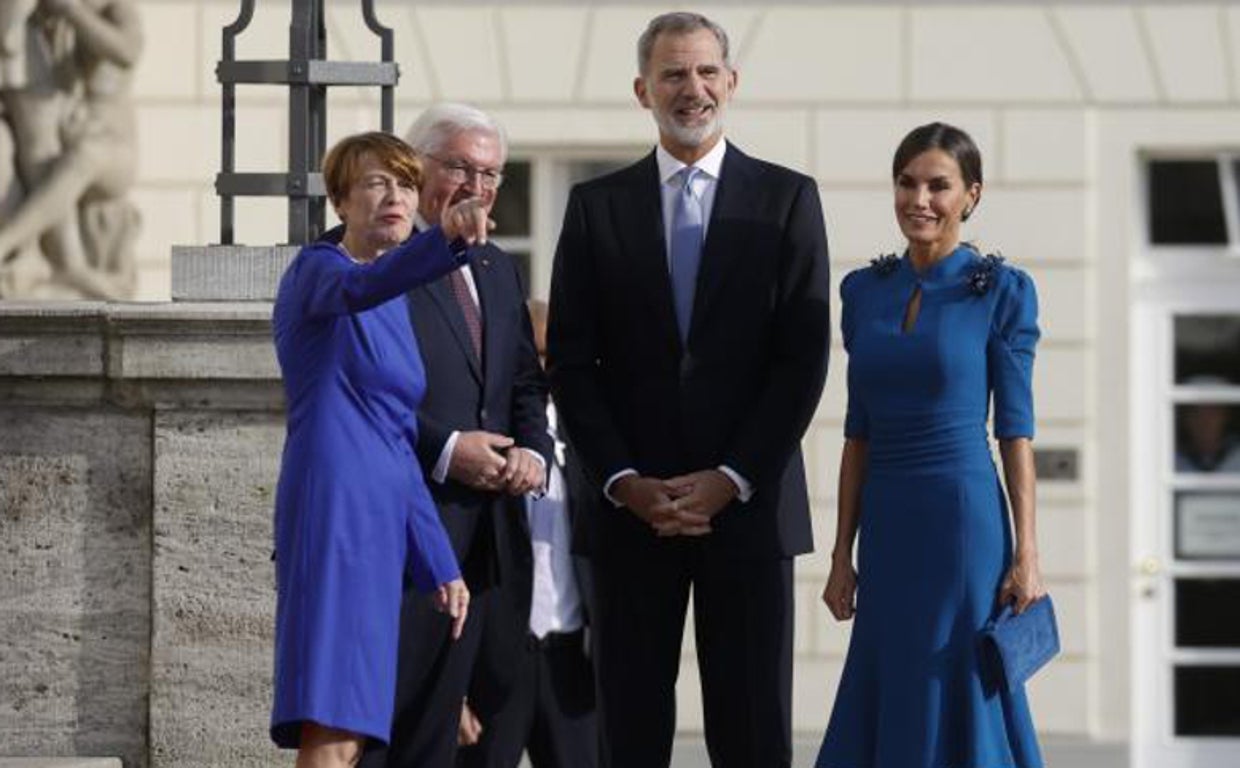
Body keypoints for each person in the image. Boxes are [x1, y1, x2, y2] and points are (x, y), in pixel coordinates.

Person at [547, 12, 831, 768]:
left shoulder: (787, 200)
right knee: (629, 735)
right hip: (631, 517)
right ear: (643, 90)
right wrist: (623, 481)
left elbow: (800, 361)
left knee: (753, 733)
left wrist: (731, 477)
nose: (692, 88)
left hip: (749, 510)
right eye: (673, 74)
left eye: (706, 72)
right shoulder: (593, 207)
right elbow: (572, 364)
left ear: (731, 83)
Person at [816, 122, 1046, 767]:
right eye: (907, 183)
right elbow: (856, 432)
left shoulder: (1003, 290)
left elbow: (1015, 431)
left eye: (938, 186)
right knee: (888, 669)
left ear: (970, 195)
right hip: (889, 520)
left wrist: (1027, 553)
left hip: (962, 521)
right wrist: (841, 553)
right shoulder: (862, 293)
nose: (920, 199)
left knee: (955, 679)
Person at [269, 131, 490, 768]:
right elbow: (360, 288)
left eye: (404, 183)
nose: (395, 196)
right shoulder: (320, 271)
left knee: (356, 726)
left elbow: (396, 436)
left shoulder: (393, 302)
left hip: (381, 526)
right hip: (332, 515)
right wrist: (443, 240)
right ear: (340, 202)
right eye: (376, 183)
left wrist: (439, 561)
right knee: (332, 725)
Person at [356, 103, 552, 768]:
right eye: (461, 168)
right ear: (417, 167)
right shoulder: (373, 257)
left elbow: (524, 381)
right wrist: (447, 448)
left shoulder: (498, 265)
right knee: (377, 729)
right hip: (401, 535)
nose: (478, 187)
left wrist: (531, 451)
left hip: (487, 543)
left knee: (441, 741)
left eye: (492, 174)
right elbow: (358, 387)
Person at [457, 299, 597, 768]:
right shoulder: (477, 454)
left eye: (549, 356)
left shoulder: (591, 453)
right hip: (493, 668)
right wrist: (452, 688)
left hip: (570, 666)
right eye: (530, 356)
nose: (541, 370)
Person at [0, 0, 142, 299]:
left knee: (86, 153)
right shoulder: (53, 25)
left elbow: (127, 51)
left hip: (115, 156)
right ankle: (56, 262)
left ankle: (7, 241)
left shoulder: (116, 10)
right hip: (72, 152)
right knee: (50, 153)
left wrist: (72, 11)